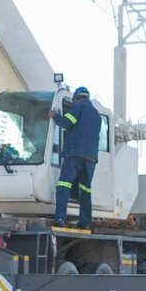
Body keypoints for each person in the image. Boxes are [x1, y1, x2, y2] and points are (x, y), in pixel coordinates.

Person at [52, 86, 100, 228]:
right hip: (91, 157)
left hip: (74, 153)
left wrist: (55, 116)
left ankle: (60, 217)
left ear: (76, 98)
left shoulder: (79, 108)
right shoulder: (96, 114)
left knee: (64, 185)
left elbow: (66, 123)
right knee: (85, 190)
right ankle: (85, 222)